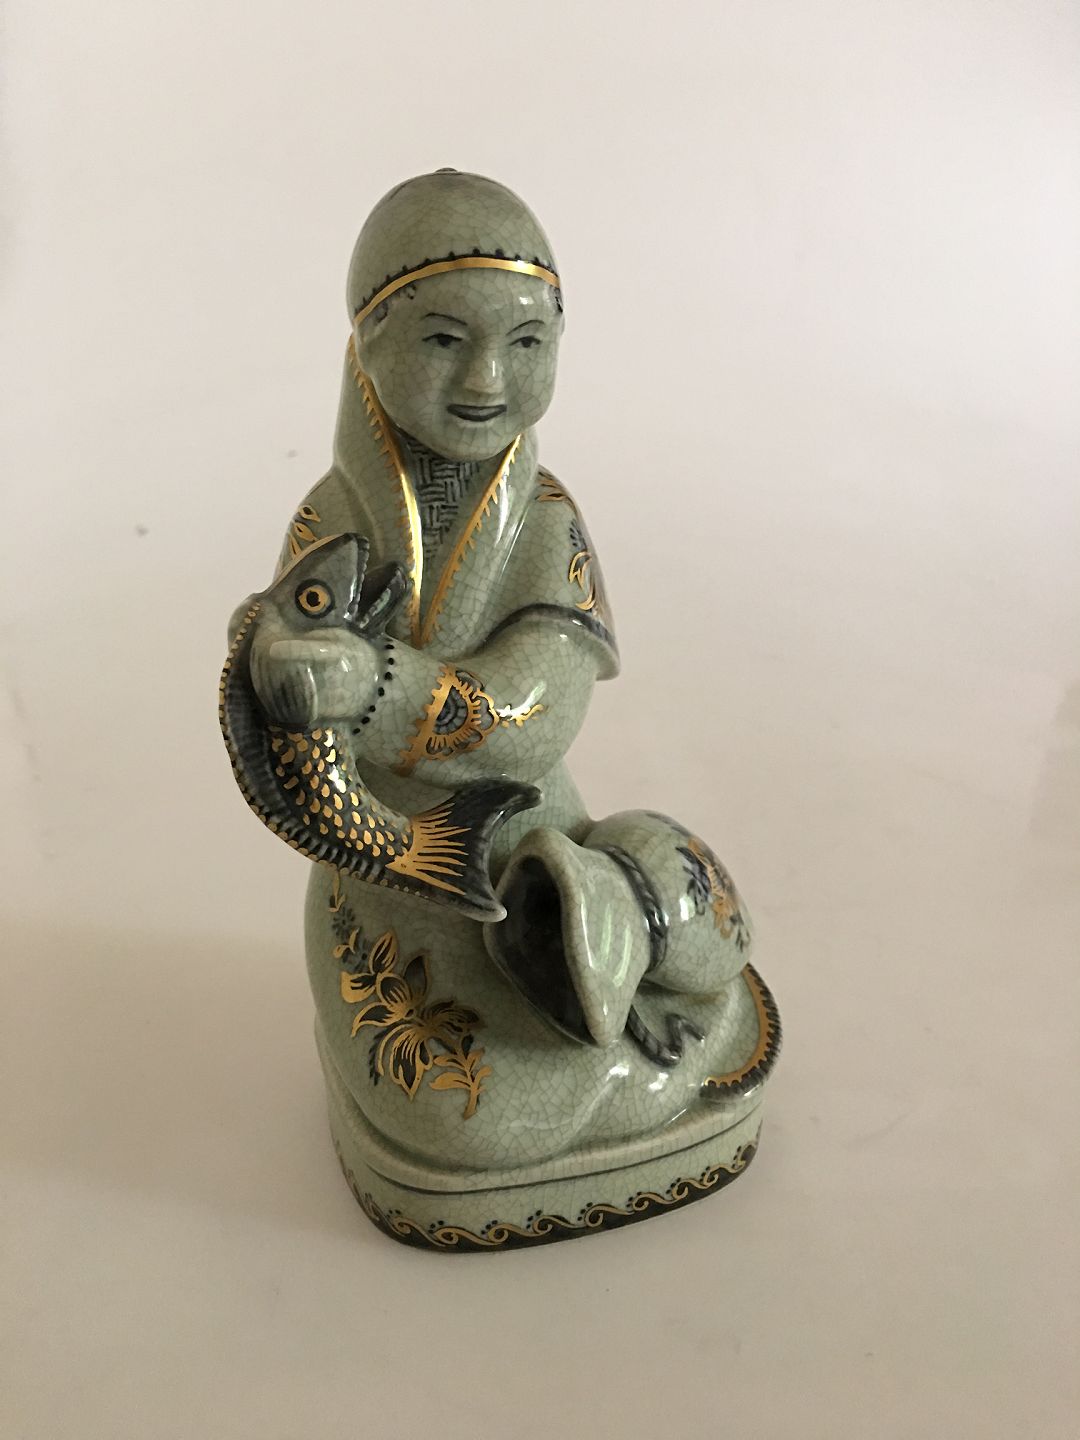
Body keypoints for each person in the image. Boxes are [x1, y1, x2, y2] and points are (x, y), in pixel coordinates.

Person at [239, 169, 778, 1248]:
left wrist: (375, 686)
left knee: (685, 932)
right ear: (370, 342)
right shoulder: (331, 518)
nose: (487, 378)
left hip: (532, 827)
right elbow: (283, 707)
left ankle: (618, 933)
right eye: (443, 339)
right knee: (456, 1107)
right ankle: (629, 1020)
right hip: (391, 870)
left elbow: (537, 717)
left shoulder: (546, 522)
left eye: (527, 342)